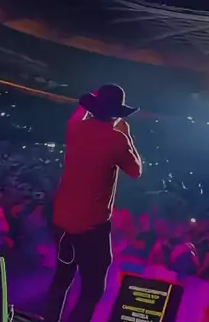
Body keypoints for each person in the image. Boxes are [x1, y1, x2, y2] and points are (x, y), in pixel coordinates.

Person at [43, 85, 142, 322]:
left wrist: (92, 99)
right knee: (93, 288)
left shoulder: (75, 127)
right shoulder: (117, 139)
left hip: (62, 219)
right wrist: (127, 136)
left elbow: (80, 111)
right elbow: (135, 171)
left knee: (62, 277)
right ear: (117, 114)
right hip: (92, 226)